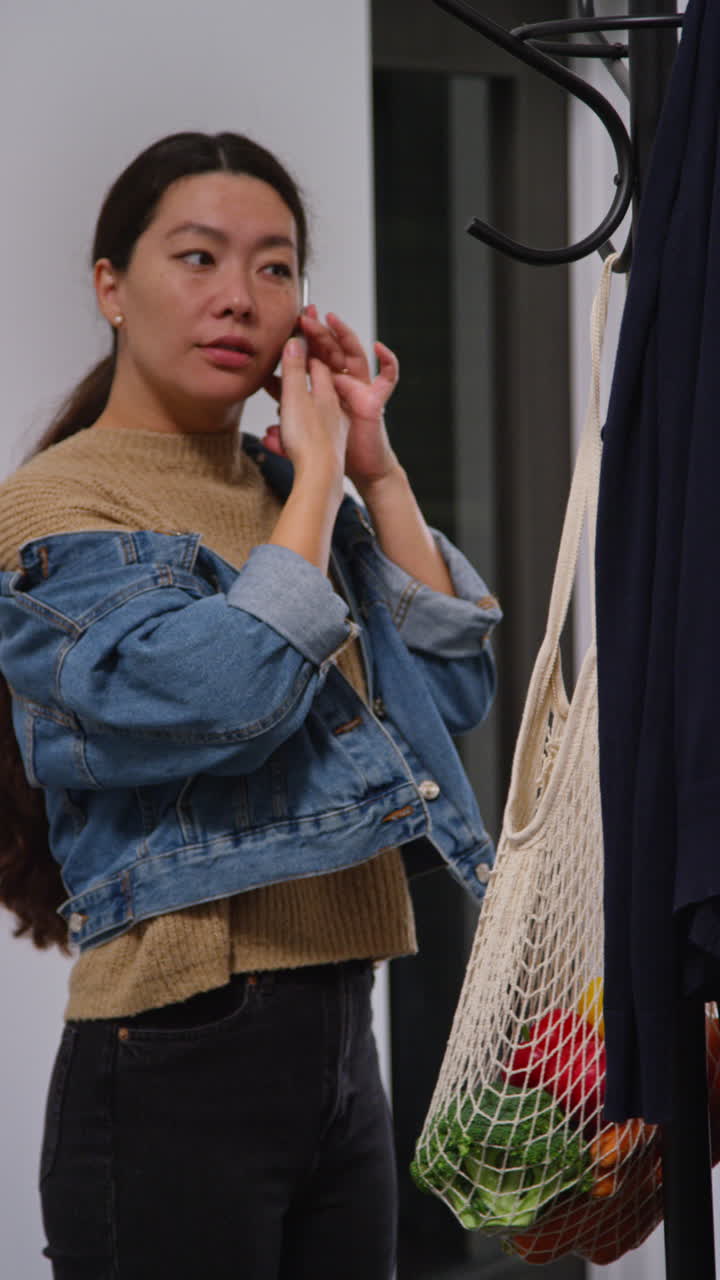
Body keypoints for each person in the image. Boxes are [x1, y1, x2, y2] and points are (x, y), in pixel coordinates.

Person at [0, 131, 501, 1280]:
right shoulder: (54, 504)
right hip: (177, 1047)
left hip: (340, 1041)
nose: (241, 298)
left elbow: (452, 689)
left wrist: (369, 466)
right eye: (199, 257)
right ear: (110, 286)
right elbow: (223, 697)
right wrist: (318, 485)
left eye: (276, 267)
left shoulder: (291, 492)